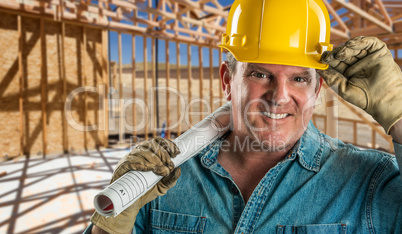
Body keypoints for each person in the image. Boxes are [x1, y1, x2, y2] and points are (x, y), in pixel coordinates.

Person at [86, 0, 402, 233]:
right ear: (227, 81)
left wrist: (400, 115)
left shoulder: (370, 182)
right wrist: (110, 226)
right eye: (260, 74)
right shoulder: (162, 181)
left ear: (317, 89)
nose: (279, 96)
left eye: (299, 79)